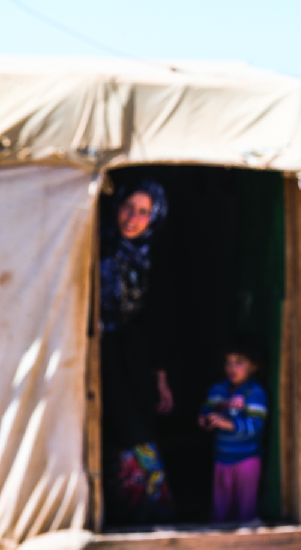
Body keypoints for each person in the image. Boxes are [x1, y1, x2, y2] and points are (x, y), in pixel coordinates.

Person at [100, 177, 175, 524]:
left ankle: (147, 521)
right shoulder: (96, 245)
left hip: (135, 358)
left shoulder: (152, 259)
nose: (133, 218)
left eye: (144, 212)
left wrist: (161, 377)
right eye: (129, 208)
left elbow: (155, 319)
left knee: (137, 433)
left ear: (154, 217)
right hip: (98, 353)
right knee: (121, 433)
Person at [199, 337, 268, 522]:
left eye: (239, 362)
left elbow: (256, 425)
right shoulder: (217, 390)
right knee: (220, 509)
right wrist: (205, 419)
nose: (232, 367)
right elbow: (206, 411)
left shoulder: (255, 393)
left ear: (254, 366)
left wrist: (226, 423)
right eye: (228, 362)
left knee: (245, 510)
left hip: (247, 461)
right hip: (221, 460)